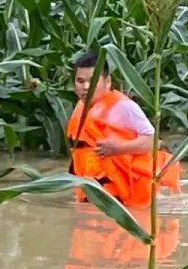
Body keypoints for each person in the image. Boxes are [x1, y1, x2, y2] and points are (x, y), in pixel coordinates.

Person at [66, 52, 180, 208]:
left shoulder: (124, 107)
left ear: (107, 82)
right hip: (93, 190)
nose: (86, 87)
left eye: (92, 81)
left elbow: (153, 141)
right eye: (80, 81)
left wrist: (118, 148)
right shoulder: (81, 108)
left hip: (124, 197)